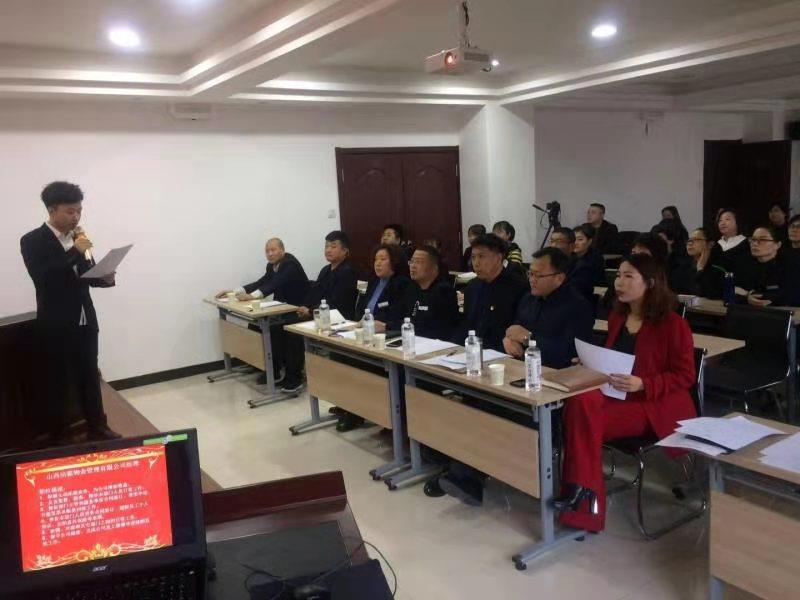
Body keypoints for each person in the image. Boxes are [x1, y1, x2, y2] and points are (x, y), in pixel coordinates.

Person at [555, 254, 696, 533]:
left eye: (628, 276)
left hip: (652, 403)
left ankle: (581, 494)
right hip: (617, 395)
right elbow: (615, 360)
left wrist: (643, 384)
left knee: (581, 421)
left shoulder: (673, 324)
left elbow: (686, 375)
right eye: (618, 275)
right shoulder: (618, 316)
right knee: (580, 401)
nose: (619, 282)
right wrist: (590, 363)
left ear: (650, 283)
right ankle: (583, 493)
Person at [20, 181, 120, 445]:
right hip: (56, 322)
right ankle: (60, 434)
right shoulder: (32, 240)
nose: (76, 217)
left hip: (85, 319)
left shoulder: (78, 237)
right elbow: (44, 277)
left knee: (90, 374)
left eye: (79, 211)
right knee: (59, 380)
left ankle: (98, 426)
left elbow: (87, 275)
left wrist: (105, 278)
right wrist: (76, 252)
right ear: (52, 210)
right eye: (70, 211)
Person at [216, 238, 309, 392]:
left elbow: (274, 284)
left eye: (273, 250)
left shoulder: (290, 264)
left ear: (282, 250)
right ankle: (262, 366)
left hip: (298, 310)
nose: (270, 254)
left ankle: (291, 377)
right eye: (267, 251)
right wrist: (234, 292)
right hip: (282, 309)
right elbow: (262, 282)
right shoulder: (271, 266)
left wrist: (252, 296)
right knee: (255, 324)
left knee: (275, 329)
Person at [503, 248, 595, 368]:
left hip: (558, 373)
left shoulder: (578, 307)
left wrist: (529, 339)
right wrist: (508, 339)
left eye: (537, 275)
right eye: (530, 273)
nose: (531, 280)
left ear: (559, 278)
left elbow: (570, 352)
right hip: (523, 366)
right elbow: (515, 329)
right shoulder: (529, 298)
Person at [452, 233, 529, 352]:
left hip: (501, 352)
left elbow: (518, 329)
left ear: (498, 258)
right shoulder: (472, 286)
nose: (476, 263)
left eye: (481, 256)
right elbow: (465, 323)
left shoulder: (518, 287)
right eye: (473, 257)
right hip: (471, 351)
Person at [298, 230, 358, 321]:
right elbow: (314, 292)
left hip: (340, 320)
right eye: (326, 246)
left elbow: (336, 303)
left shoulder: (348, 272)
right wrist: (304, 306)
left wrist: (310, 311)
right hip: (320, 316)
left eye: (333, 247)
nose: (328, 250)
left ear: (345, 250)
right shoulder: (325, 270)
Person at [405, 245, 460, 340]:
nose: (413, 266)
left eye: (418, 262)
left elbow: (442, 329)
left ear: (434, 268)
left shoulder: (444, 291)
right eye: (412, 261)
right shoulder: (412, 289)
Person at [355, 244, 413, 332]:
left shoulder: (403, 284)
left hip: (388, 332)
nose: (378, 263)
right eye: (376, 259)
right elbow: (358, 308)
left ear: (394, 261)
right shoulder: (368, 280)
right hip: (364, 329)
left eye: (383, 259)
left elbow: (397, 315)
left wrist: (383, 325)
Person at [737, 226, 800, 307]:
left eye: (763, 240)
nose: (755, 243)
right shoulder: (744, 264)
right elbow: (732, 289)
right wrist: (747, 297)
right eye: (753, 239)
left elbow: (787, 295)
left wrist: (747, 293)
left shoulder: (790, 265)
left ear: (777, 245)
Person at [549, 226, 594, 303]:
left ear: (571, 246)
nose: (554, 245)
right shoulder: (549, 264)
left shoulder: (582, 268)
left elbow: (573, 294)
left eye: (559, 241)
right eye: (552, 241)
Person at [652, 219, 695, 294]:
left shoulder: (684, 263)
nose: (656, 243)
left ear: (671, 239)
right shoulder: (657, 258)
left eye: (660, 238)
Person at [685, 227, 724, 299]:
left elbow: (712, 294)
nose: (690, 243)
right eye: (689, 240)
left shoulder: (719, 267)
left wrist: (700, 270)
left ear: (710, 244)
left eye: (696, 239)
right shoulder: (685, 266)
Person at [709, 207, 749, 275]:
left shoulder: (746, 243)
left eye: (727, 219)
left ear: (737, 222)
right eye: (720, 220)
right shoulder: (715, 245)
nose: (722, 223)